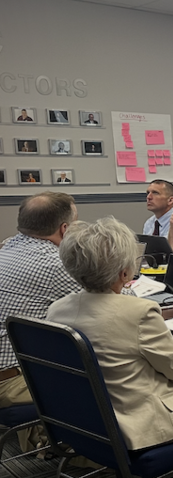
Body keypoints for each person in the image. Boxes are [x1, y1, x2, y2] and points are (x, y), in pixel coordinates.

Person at [48, 218, 173, 478]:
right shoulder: (138, 311)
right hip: (138, 427)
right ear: (125, 273)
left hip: (88, 422)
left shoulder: (56, 310)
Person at [0, 193, 80, 451]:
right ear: (64, 228)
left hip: (7, 370)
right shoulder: (54, 263)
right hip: (11, 382)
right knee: (110, 372)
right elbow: (113, 298)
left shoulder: (7, 247)